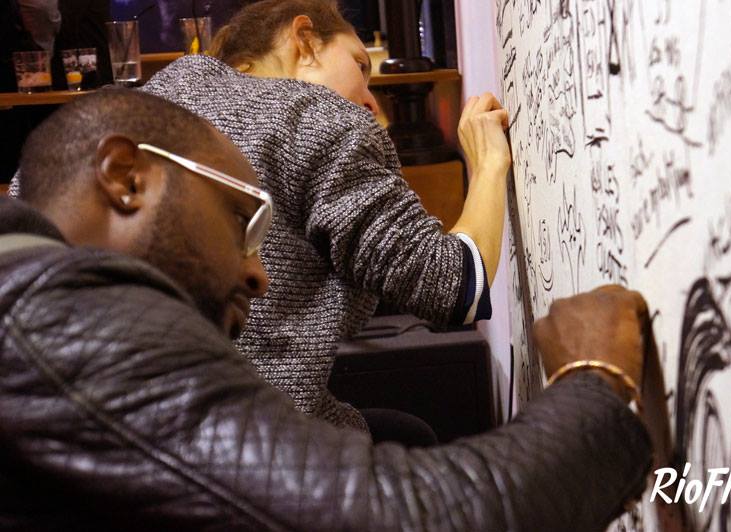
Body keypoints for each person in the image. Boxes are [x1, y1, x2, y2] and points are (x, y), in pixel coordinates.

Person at [1, 89, 654, 530]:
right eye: (245, 220)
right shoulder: (50, 315)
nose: (258, 273)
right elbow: (403, 515)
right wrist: (593, 380)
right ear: (126, 177)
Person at [141, 0, 509, 433]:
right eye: (359, 66)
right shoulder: (316, 118)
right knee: (409, 435)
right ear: (305, 40)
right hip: (249, 436)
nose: (370, 101)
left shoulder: (158, 99)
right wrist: (488, 163)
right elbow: (456, 287)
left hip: (134, 428)